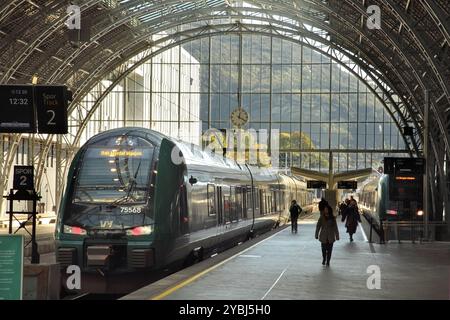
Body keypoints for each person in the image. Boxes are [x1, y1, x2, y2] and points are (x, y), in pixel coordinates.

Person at [315, 199, 339, 266]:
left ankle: (328, 261)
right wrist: (316, 234)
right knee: (323, 250)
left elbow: (335, 227)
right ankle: (324, 259)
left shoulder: (333, 218)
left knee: (329, 251)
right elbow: (318, 226)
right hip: (323, 236)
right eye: (325, 209)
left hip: (331, 237)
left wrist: (337, 236)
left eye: (327, 209)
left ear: (329, 210)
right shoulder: (321, 218)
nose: (325, 210)